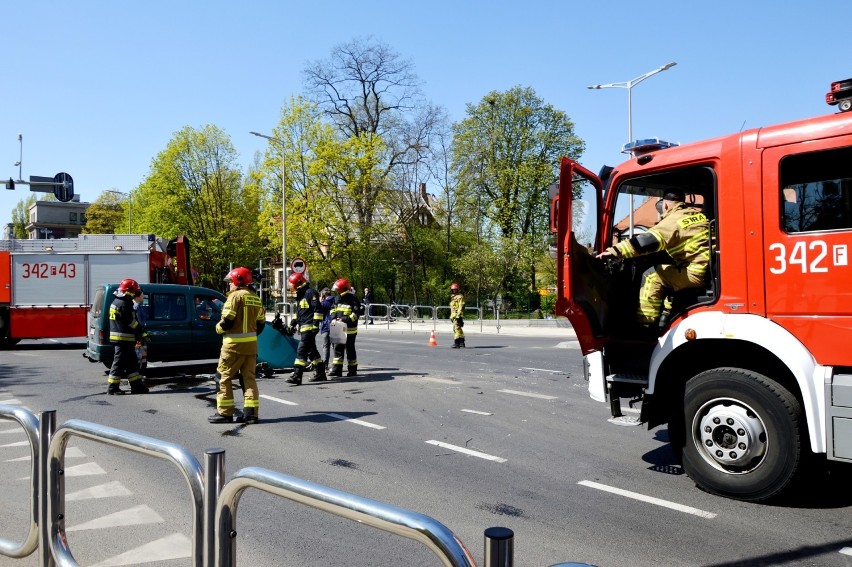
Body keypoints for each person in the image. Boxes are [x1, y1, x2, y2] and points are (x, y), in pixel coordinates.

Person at [596, 190, 710, 326]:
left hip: (694, 274)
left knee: (651, 276)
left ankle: (646, 324)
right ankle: (666, 317)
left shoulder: (673, 221)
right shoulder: (698, 216)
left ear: (666, 206)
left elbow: (646, 241)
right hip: (708, 272)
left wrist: (614, 251)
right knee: (667, 277)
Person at [209, 267, 266, 424]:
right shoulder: (255, 298)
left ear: (237, 281)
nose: (229, 286)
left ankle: (225, 413)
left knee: (222, 378)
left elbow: (228, 321)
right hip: (251, 346)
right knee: (249, 379)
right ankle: (251, 415)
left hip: (232, 346)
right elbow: (261, 324)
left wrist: (218, 328)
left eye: (230, 283)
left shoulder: (234, 297)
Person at [282, 272, 326, 385]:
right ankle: (321, 373)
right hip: (303, 327)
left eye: (292, 284)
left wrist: (316, 325)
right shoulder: (300, 295)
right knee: (312, 351)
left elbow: (318, 309)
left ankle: (297, 375)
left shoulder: (310, 293)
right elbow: (299, 314)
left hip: (309, 327)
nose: (291, 287)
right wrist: (292, 324)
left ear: (298, 283)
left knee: (301, 351)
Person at [107, 278, 149, 395]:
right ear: (129, 290)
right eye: (135, 290)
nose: (136, 293)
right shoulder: (125, 303)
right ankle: (112, 388)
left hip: (123, 338)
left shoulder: (116, 301)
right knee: (118, 364)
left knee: (132, 363)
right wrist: (140, 331)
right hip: (123, 338)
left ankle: (137, 386)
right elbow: (131, 322)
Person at [329, 278, 359, 377]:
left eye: (338, 289)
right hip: (339, 328)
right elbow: (333, 309)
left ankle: (352, 370)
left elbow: (355, 315)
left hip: (350, 330)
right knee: (337, 349)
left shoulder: (353, 300)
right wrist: (333, 318)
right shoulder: (337, 298)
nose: (337, 291)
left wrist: (344, 319)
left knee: (350, 350)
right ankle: (337, 370)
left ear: (343, 289)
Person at [318, 287, 335, 368]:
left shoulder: (324, 303)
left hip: (326, 326)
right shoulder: (335, 300)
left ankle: (325, 364)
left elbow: (318, 310)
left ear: (323, 294)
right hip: (335, 326)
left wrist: (320, 300)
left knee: (326, 346)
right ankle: (337, 365)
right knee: (335, 345)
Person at [132, 290, 149, 368]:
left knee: (141, 355)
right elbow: (139, 322)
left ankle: (140, 372)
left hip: (138, 335)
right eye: (142, 295)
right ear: (137, 297)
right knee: (139, 355)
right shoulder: (136, 307)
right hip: (138, 336)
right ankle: (140, 373)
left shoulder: (137, 306)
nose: (143, 297)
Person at [449, 282, 466, 348]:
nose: (454, 290)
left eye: (455, 289)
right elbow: (452, 308)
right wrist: (451, 316)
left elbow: (460, 306)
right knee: (458, 328)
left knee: (456, 328)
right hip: (453, 315)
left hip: (457, 315)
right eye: (453, 289)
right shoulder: (452, 297)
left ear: (457, 289)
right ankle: (462, 342)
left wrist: (459, 315)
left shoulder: (460, 297)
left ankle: (456, 343)